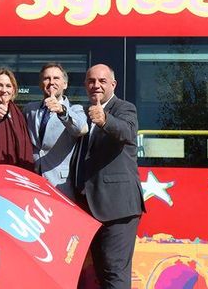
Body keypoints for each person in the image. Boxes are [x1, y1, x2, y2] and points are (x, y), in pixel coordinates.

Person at [73, 64, 144, 289]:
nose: (96, 85)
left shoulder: (124, 108)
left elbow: (127, 132)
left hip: (118, 207)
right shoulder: (84, 112)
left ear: (113, 84)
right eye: (91, 81)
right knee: (103, 273)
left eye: (102, 81)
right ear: (86, 85)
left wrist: (104, 120)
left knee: (115, 273)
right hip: (91, 207)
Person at [23, 63, 87, 200]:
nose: (51, 82)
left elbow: (80, 129)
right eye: (47, 78)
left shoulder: (75, 110)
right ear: (41, 84)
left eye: (56, 78)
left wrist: (62, 111)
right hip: (32, 182)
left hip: (60, 184)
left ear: (65, 84)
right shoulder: (30, 109)